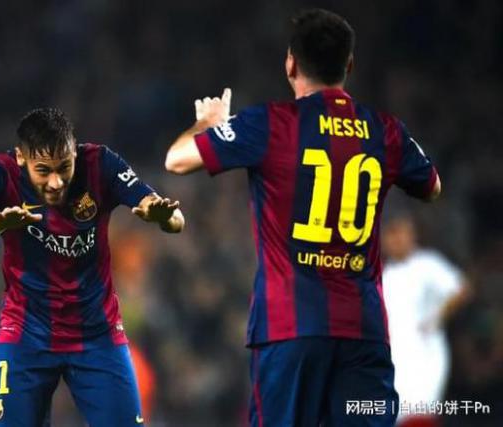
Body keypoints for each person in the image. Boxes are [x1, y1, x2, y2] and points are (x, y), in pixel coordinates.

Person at [165, 8, 441, 427]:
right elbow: (432, 186)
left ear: (290, 64)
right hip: (362, 331)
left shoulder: (270, 124)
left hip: (289, 330)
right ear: (349, 65)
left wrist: (207, 124)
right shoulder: (386, 130)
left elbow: (176, 160)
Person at [0, 107, 184, 427]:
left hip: (97, 334)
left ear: (74, 151)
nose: (56, 181)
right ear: (21, 158)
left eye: (64, 167)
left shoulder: (101, 164)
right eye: (43, 170)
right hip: (26, 334)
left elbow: (174, 219)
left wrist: (163, 217)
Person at [382, 213, 465, 426]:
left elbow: (461, 288)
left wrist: (438, 317)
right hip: (394, 356)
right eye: (391, 234)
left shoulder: (427, 264)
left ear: (412, 235)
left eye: (401, 233)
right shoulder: (383, 274)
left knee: (420, 413)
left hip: (424, 354)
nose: (397, 239)